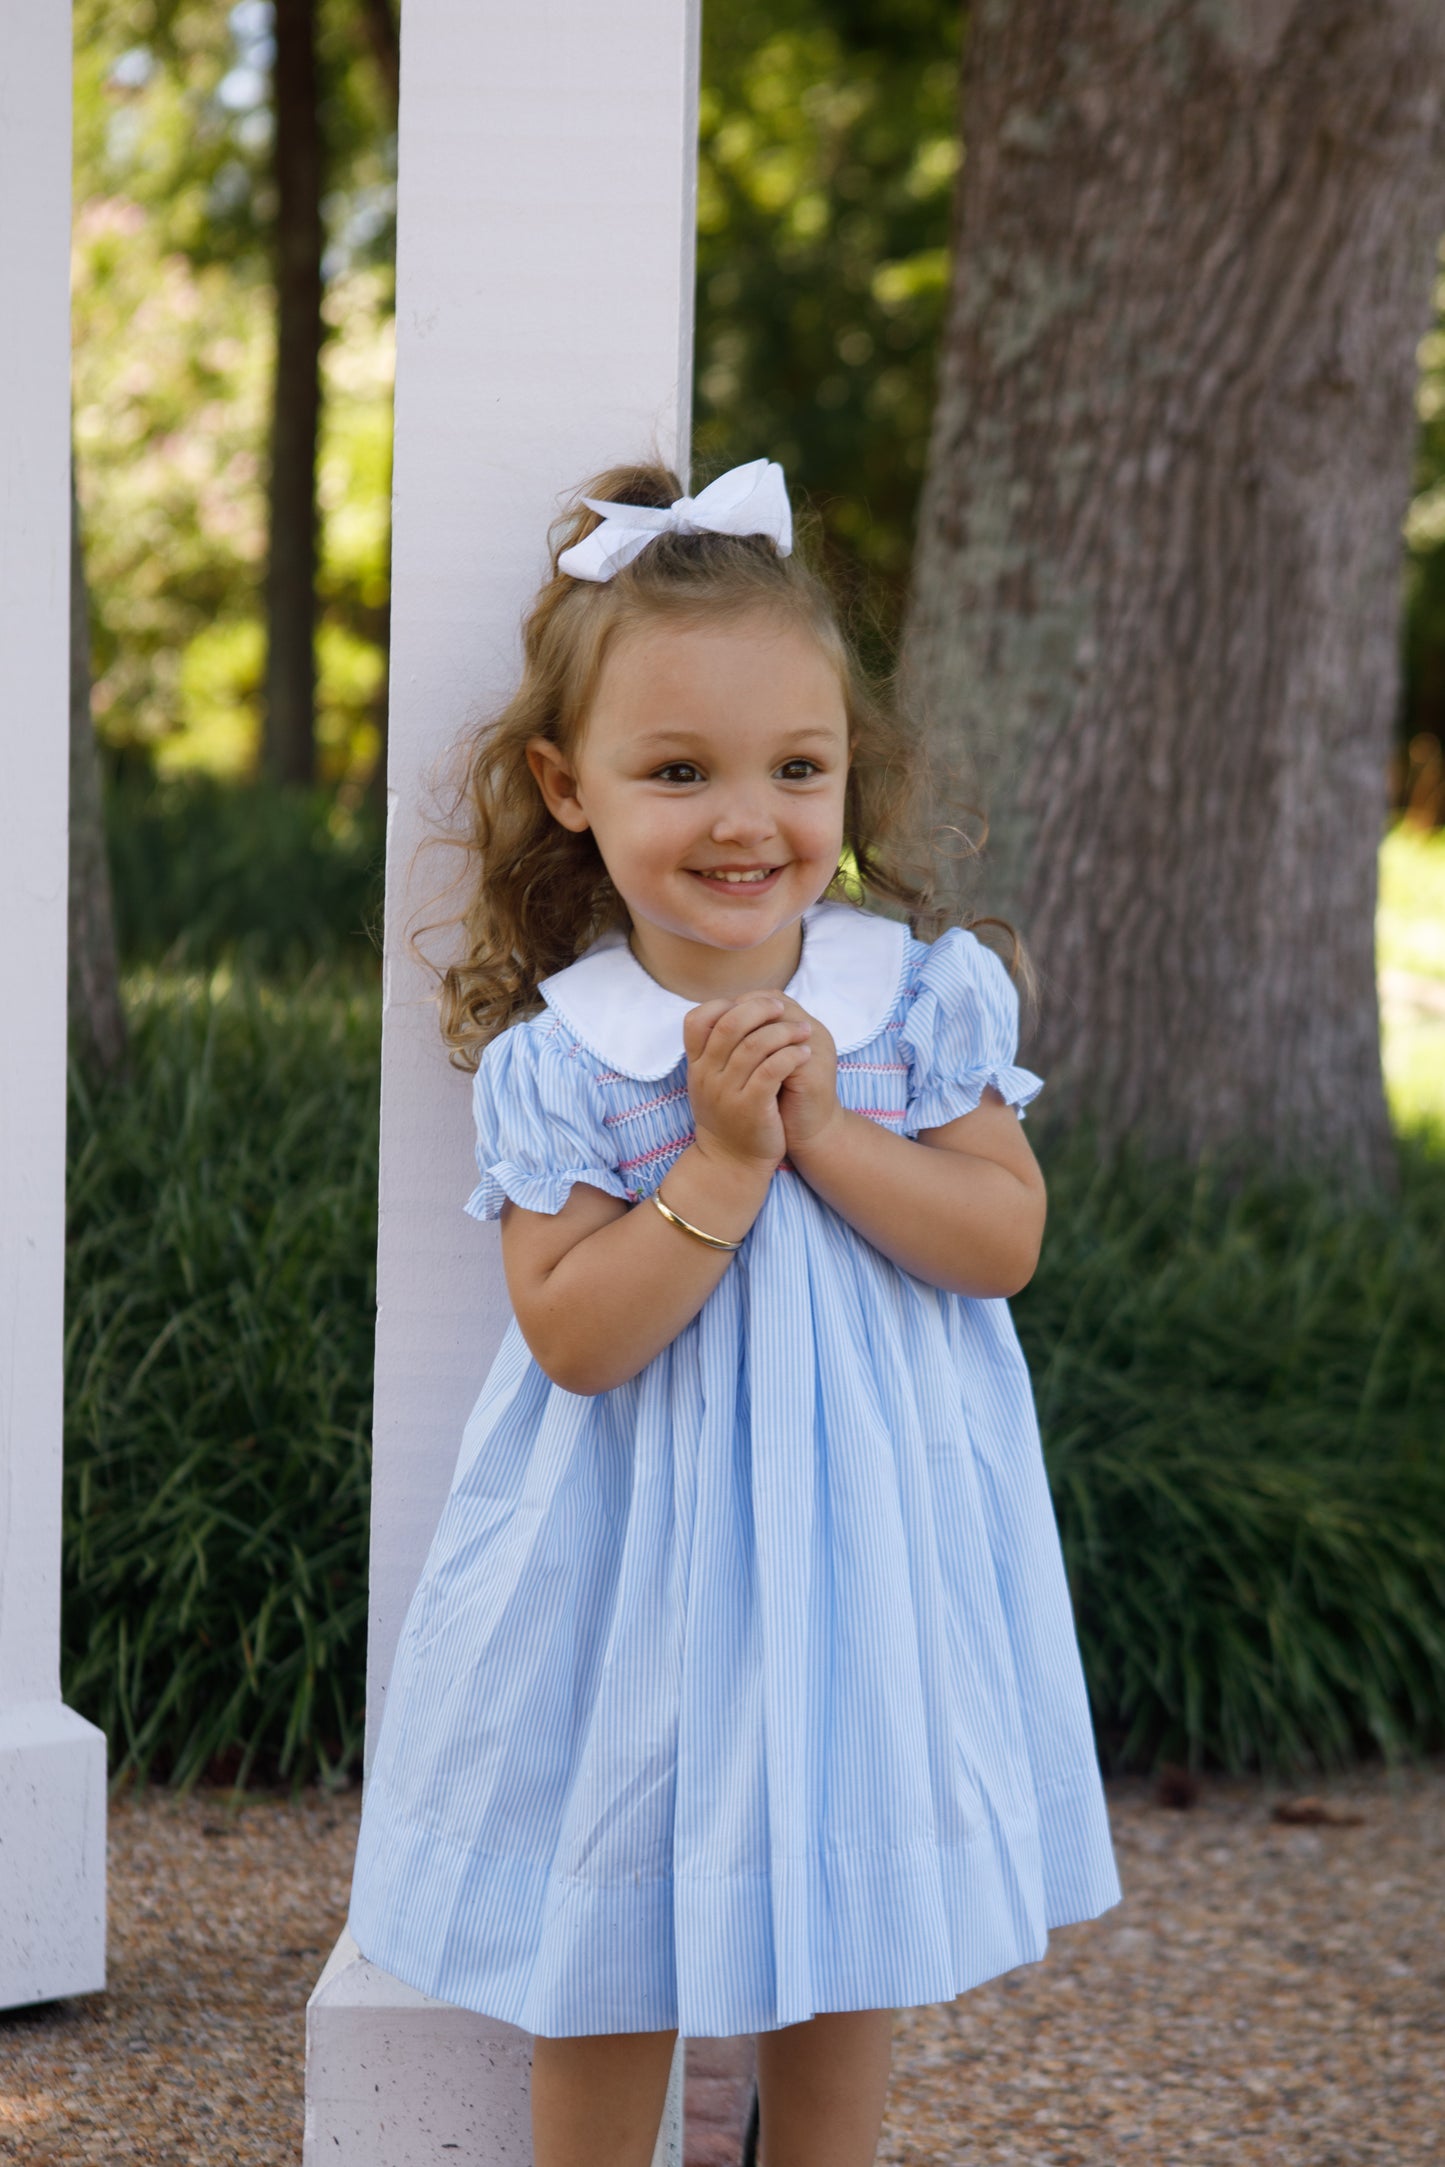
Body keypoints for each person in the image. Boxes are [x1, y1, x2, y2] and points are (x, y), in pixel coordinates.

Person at [346, 456, 1123, 2167]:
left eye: (796, 768)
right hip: (629, 1565)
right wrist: (718, 1158)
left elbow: (999, 1239)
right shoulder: (569, 1056)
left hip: (863, 1549)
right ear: (569, 786)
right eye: (678, 771)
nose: (745, 818)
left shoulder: (912, 998)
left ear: (850, 777)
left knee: (840, 1917)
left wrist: (826, 1125)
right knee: (609, 1921)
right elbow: (574, 1335)